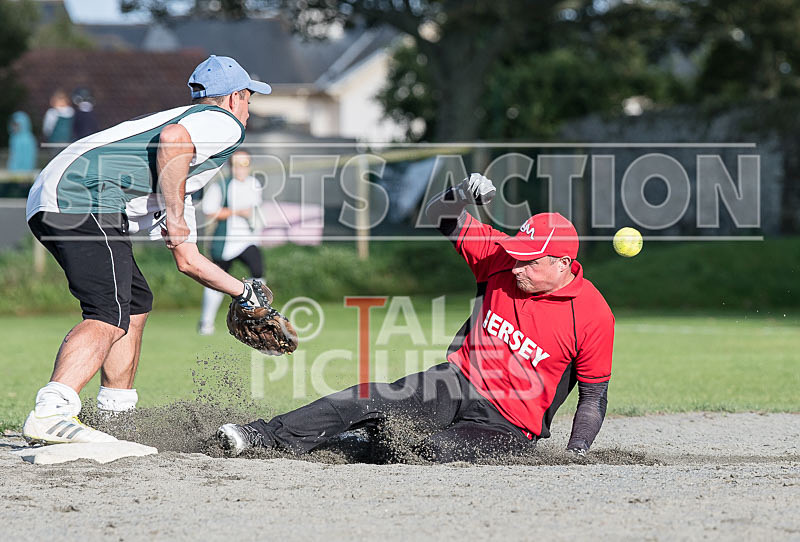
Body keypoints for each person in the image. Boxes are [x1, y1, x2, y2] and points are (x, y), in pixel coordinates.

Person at [216, 174, 615, 462]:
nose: (515, 266)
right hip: (456, 381)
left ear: (564, 263)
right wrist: (460, 192)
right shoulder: (500, 257)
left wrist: (576, 452)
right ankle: (261, 436)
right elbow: (441, 215)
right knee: (368, 397)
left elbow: (594, 396)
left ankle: (356, 446)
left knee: (431, 449)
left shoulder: (593, 314)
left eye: (530, 261)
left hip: (508, 424)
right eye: (516, 255)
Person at [23, 55, 274, 444]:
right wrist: (174, 216)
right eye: (248, 99)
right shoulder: (220, 124)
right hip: (81, 195)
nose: (248, 109)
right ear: (234, 98)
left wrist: (244, 292)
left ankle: (114, 418)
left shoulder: (184, 170)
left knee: (135, 301)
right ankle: (52, 412)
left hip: (67, 193)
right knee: (109, 311)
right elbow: (174, 140)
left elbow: (188, 260)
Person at [198, 150, 265, 335]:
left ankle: (257, 317)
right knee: (217, 279)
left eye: (244, 164)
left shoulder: (254, 184)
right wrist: (237, 212)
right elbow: (210, 211)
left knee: (257, 271)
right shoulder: (222, 186)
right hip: (226, 241)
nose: (241, 169)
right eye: (237, 164)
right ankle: (206, 322)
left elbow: (257, 210)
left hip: (247, 240)